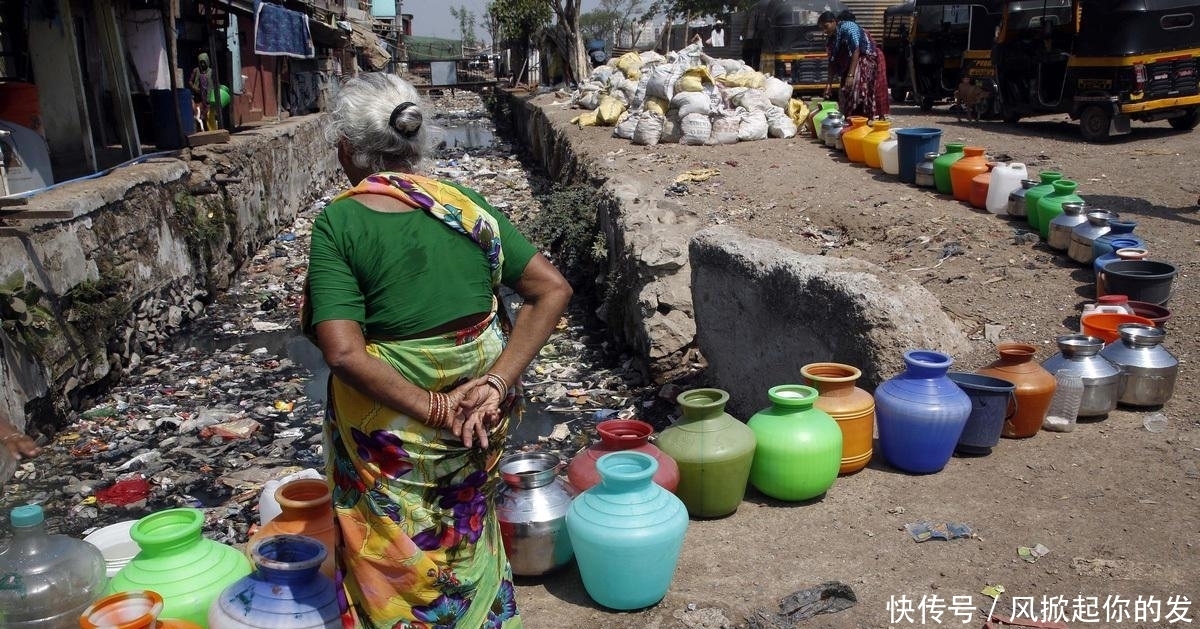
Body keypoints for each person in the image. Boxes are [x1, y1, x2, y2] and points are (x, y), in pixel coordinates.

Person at [305, 72, 572, 628]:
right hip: (478, 425)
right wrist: (496, 382)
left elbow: (344, 354)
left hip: (399, 442)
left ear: (348, 148)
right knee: (465, 544)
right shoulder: (466, 208)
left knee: (399, 568)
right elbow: (551, 289)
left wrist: (434, 408)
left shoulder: (341, 221)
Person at [820, 10, 890, 120]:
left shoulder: (848, 27)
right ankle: (853, 121)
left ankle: (868, 120)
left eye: (826, 26)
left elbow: (856, 50)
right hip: (851, 63)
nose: (824, 30)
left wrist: (851, 75)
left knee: (861, 91)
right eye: (822, 28)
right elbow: (832, 61)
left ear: (834, 21)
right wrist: (828, 85)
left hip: (867, 58)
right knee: (846, 92)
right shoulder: (831, 38)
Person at [188, 53, 214, 130]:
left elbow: (215, 82)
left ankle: (209, 129)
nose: (202, 64)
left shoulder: (211, 71)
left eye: (204, 62)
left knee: (208, 113)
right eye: (201, 62)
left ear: (207, 61)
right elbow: (190, 82)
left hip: (208, 96)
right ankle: (199, 130)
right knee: (198, 114)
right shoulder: (196, 70)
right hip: (199, 96)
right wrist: (195, 88)